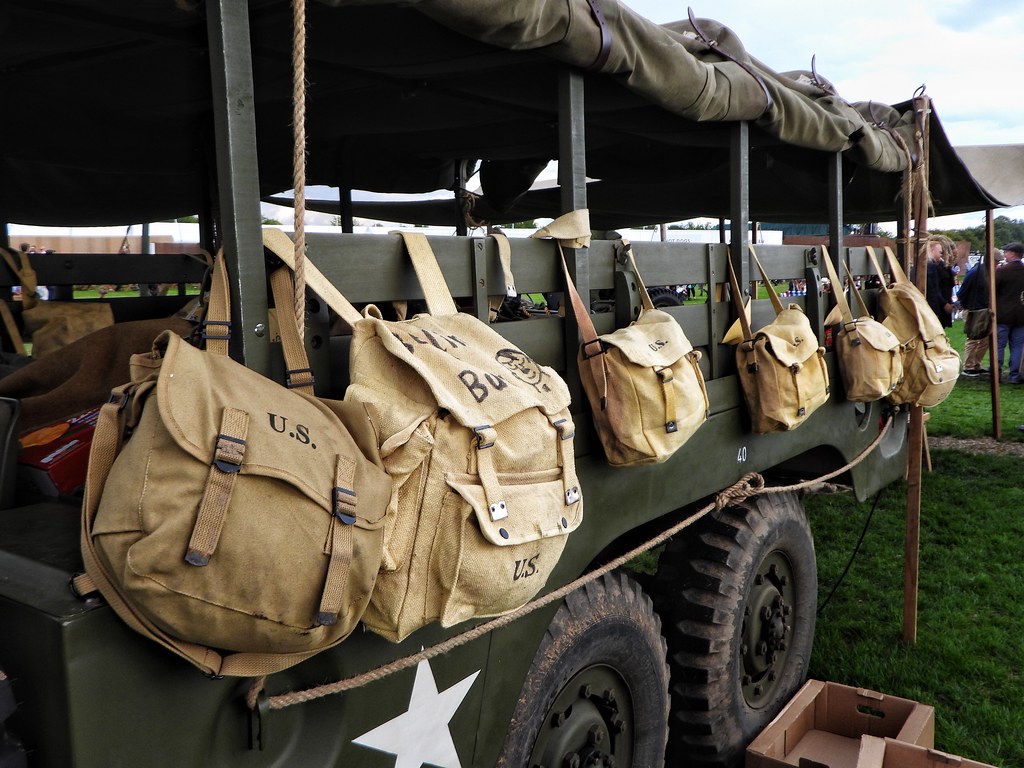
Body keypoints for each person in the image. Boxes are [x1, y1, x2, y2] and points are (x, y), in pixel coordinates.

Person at [994, 242, 1024, 384]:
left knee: (999, 345)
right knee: (1017, 346)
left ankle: (996, 373)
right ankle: (1014, 375)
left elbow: (993, 290)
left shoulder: (1002, 271)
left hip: (1003, 314)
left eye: (1006, 252)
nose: (1004, 254)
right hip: (1021, 315)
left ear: (1012, 253)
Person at [958, 252, 991, 377]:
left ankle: (975, 364)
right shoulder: (975, 272)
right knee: (973, 338)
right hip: (973, 310)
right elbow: (962, 292)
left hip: (985, 310)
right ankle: (968, 366)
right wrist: (967, 306)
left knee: (986, 340)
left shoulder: (988, 273)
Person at [920, 238, 956, 327]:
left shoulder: (936, 265)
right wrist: (944, 303)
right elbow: (933, 288)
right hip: (935, 307)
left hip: (939, 305)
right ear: (932, 250)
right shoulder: (931, 266)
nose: (942, 255)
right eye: (940, 252)